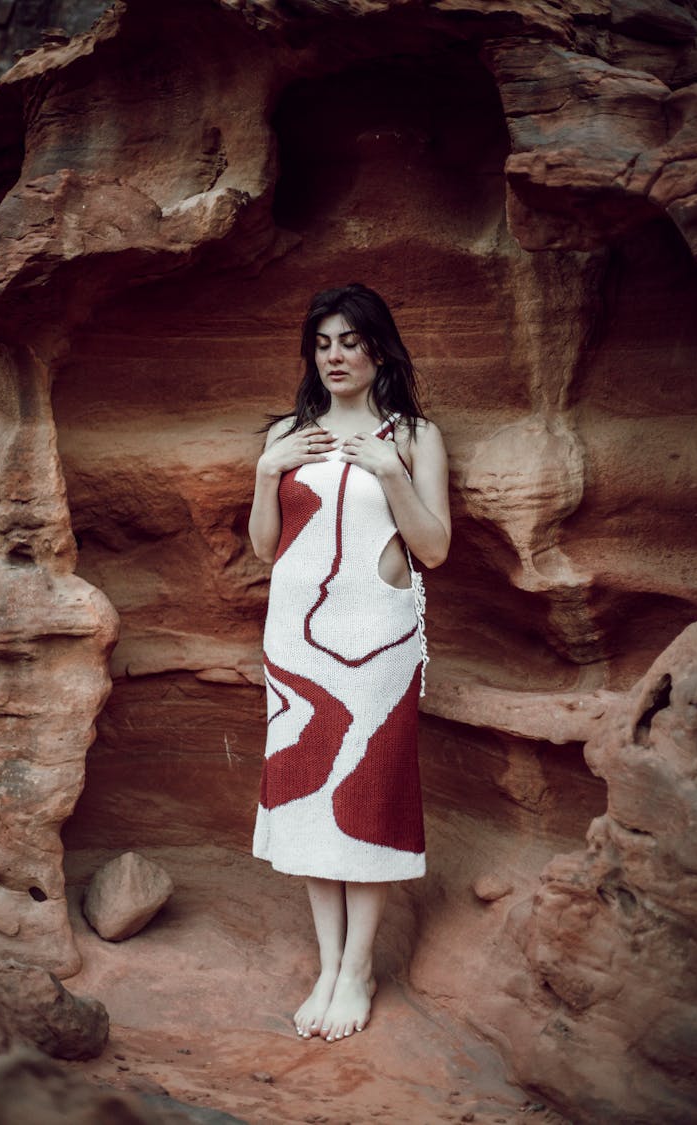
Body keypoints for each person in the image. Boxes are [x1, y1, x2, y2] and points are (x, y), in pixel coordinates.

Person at [248, 283, 451, 1044]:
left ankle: (359, 967)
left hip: (378, 637)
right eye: (323, 342)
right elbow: (264, 547)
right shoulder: (286, 434)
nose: (335, 355)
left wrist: (390, 470)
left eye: (350, 341)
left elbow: (433, 548)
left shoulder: (415, 435)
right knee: (306, 793)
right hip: (295, 640)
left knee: (366, 789)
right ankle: (328, 965)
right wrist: (269, 470)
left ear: (378, 349)